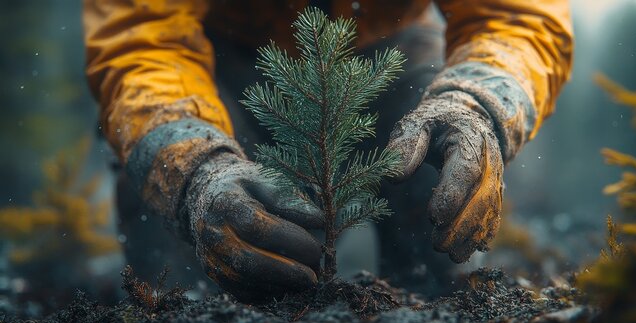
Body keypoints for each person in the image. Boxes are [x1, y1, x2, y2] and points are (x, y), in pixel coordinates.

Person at [83, 1, 573, 300]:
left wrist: (477, 102)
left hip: (389, 46)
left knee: (441, 179)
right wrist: (194, 170)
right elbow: (140, 41)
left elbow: (518, 16)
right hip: (214, 61)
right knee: (195, 250)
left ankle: (438, 314)